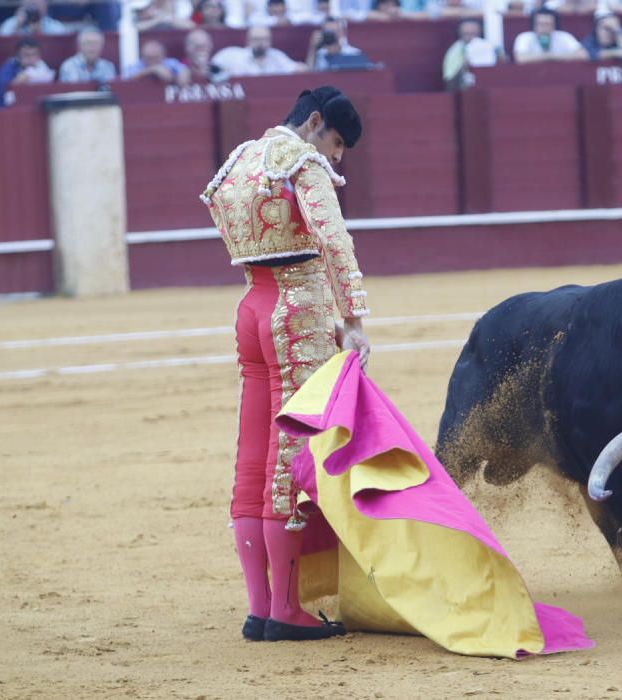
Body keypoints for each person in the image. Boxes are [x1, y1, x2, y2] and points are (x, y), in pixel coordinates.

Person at [200, 85, 370, 642]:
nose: (337, 156)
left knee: (252, 458)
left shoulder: (241, 160)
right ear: (314, 122)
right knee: (285, 458)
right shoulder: (301, 161)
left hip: (251, 306)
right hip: (297, 311)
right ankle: (285, 610)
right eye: (337, 142)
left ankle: (258, 609)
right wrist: (354, 318)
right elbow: (334, 241)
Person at [212, 26, 309, 77]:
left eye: (264, 39)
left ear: (270, 41)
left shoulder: (277, 56)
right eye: (256, 39)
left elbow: (297, 68)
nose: (260, 43)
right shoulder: (234, 55)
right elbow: (212, 67)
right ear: (248, 41)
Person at [442, 18, 504, 88]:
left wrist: (499, 58)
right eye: (467, 34)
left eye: (474, 34)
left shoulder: (491, 46)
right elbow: (450, 80)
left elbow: (504, 70)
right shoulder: (455, 51)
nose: (471, 37)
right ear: (460, 34)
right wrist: (464, 66)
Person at [0, 37, 56, 107]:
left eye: (34, 54)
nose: (31, 59)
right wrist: (16, 83)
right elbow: (2, 94)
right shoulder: (8, 68)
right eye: (26, 55)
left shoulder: (42, 66)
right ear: (17, 56)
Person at [513, 8, 589, 63]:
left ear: (554, 25)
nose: (545, 28)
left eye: (548, 24)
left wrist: (552, 56)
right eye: (541, 24)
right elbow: (520, 58)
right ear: (534, 25)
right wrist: (548, 57)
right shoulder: (524, 37)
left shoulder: (564, 37)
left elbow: (583, 55)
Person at [124, 39, 191, 85]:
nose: (152, 61)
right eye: (149, 58)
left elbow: (183, 69)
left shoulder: (169, 63)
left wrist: (183, 73)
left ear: (163, 56)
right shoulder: (137, 65)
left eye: (155, 57)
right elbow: (128, 77)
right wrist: (153, 69)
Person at [0, 0, 67, 35]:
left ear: (45, 8)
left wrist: (39, 31)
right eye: (32, 4)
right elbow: (2, 43)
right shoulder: (11, 22)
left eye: (38, 5)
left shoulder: (54, 25)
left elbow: (60, 42)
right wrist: (17, 26)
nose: (35, 9)